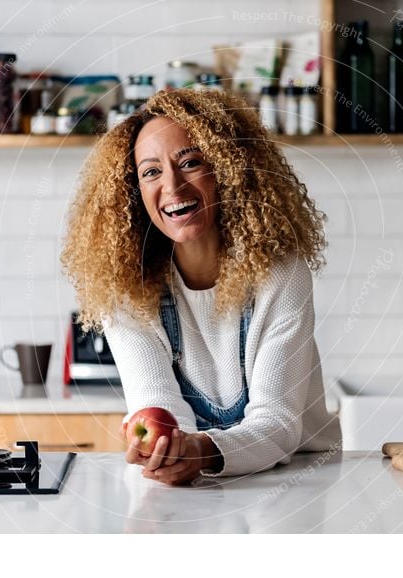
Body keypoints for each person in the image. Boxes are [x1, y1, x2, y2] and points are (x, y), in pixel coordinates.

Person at [61, 88, 341, 485]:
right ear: (134, 193)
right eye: (151, 172)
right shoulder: (124, 286)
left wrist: (199, 451)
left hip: (300, 481)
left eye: (190, 162)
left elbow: (278, 423)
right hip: (195, 488)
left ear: (227, 170)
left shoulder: (281, 273)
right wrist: (168, 450)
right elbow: (157, 404)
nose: (173, 187)